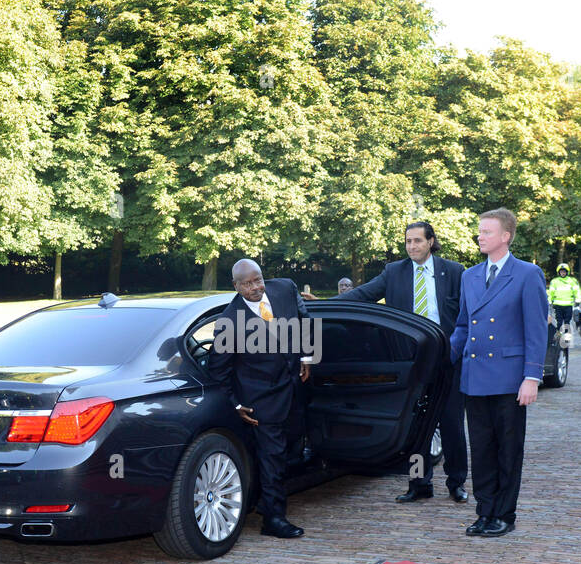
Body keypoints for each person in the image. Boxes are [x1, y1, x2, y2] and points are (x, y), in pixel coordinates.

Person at [340, 221, 468, 503]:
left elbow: (466, 315)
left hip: (448, 359)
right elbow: (364, 295)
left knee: (452, 425)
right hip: (412, 360)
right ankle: (419, 483)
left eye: (418, 241)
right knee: (415, 426)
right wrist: (331, 303)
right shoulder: (394, 272)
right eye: (408, 241)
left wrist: (456, 350)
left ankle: (456, 482)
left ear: (431, 241)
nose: (412, 247)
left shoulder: (454, 272)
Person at [450, 208, 548, 537]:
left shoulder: (527, 273)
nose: (480, 236)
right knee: (481, 448)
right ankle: (484, 511)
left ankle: (505, 514)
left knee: (508, 449)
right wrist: (444, 358)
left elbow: (536, 330)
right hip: (475, 376)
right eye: (480, 231)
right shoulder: (469, 276)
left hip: (509, 378)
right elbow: (463, 326)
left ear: (505, 237)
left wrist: (531, 377)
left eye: (487, 232)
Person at [207, 259, 313, 538]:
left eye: (258, 280)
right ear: (236, 286)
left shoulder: (285, 289)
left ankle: (264, 502)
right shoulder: (229, 322)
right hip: (261, 402)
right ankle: (273, 520)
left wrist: (306, 356)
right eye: (248, 283)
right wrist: (236, 405)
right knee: (272, 458)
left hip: (294, 390)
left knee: (291, 451)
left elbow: (305, 320)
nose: (256, 287)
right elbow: (218, 371)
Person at [548, 262, 580, 331]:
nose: (563, 273)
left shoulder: (572, 281)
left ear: (567, 272)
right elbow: (551, 292)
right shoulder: (554, 281)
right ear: (558, 272)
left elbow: (577, 291)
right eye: (561, 272)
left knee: (567, 322)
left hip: (568, 305)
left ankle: (566, 335)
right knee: (559, 322)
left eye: (564, 272)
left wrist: (578, 300)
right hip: (558, 305)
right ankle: (558, 335)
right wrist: (549, 301)